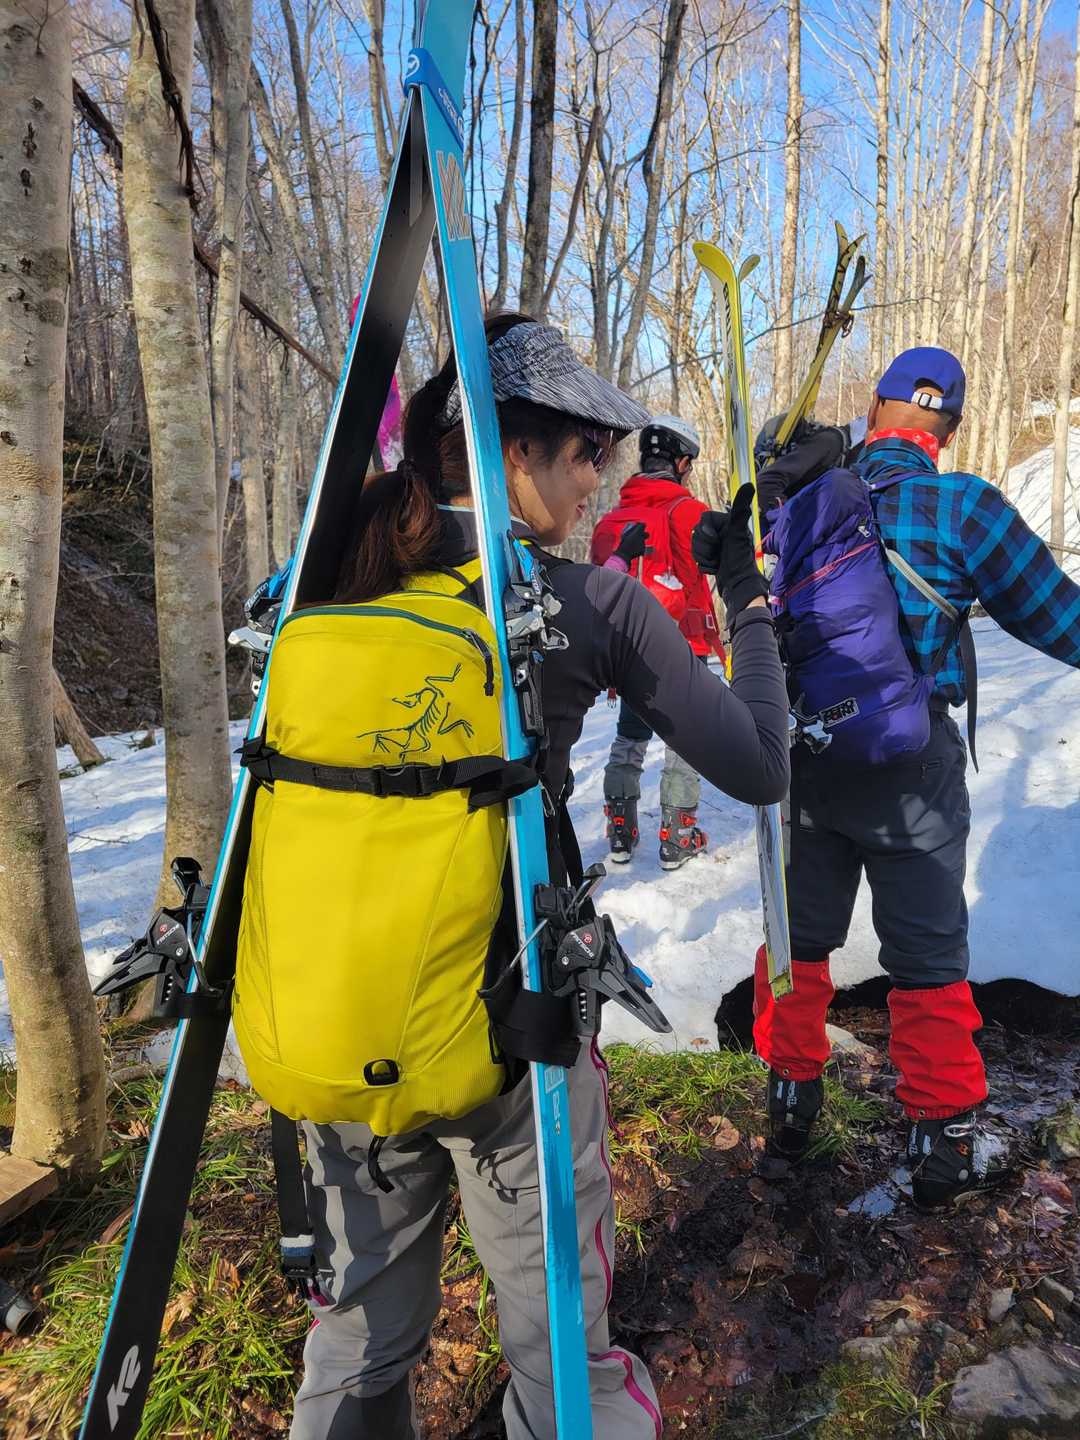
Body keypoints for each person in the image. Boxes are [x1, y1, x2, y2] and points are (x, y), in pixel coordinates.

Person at [265, 315, 790, 1439]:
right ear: (514, 455)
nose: (600, 480)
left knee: (355, 1335)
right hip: (513, 1032)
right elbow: (759, 761)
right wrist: (748, 600)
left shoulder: (330, 583)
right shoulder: (588, 603)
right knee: (559, 1335)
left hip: (339, 1018)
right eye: (586, 453)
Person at [694, 346, 1080, 1210]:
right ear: (950, 430)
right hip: (911, 769)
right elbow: (1062, 621)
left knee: (799, 942)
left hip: (809, 760)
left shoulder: (799, 504)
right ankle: (941, 1146)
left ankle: (789, 1113)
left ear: (872, 413)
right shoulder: (963, 506)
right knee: (927, 957)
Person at [589, 417, 726, 870]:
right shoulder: (690, 512)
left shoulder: (610, 520)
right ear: (682, 463)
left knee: (629, 736)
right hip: (683, 645)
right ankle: (677, 834)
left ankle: (620, 828)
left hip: (629, 651)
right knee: (683, 742)